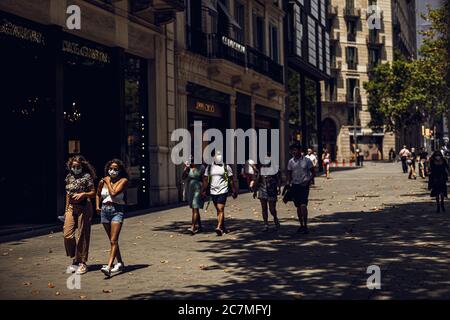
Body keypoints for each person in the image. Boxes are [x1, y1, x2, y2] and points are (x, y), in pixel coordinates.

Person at [63, 155, 96, 275]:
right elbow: (67, 194)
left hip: (84, 207)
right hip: (71, 207)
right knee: (68, 235)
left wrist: (83, 194)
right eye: (74, 167)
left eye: (78, 167)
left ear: (82, 166)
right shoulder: (69, 177)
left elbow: (93, 193)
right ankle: (75, 257)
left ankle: (81, 262)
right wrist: (66, 210)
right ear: (70, 167)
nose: (76, 168)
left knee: (82, 234)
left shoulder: (86, 177)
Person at [96, 159, 129, 277]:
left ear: (120, 170)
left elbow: (114, 193)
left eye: (115, 169)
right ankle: (119, 262)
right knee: (112, 240)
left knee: (113, 240)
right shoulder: (103, 181)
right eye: (110, 169)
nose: (112, 171)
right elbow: (98, 193)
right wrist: (97, 206)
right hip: (105, 210)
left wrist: (108, 182)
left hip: (117, 211)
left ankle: (109, 266)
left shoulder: (123, 181)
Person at [201, 152, 238, 236]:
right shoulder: (209, 167)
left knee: (220, 208)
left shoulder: (226, 167)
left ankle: (218, 227)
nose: (219, 156)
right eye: (217, 155)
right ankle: (223, 227)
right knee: (218, 210)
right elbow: (205, 180)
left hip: (223, 191)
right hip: (213, 192)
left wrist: (234, 190)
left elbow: (231, 180)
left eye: (220, 154)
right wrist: (202, 191)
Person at [287, 144, 315, 234]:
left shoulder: (307, 161)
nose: (294, 152)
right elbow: (289, 173)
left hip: (304, 185)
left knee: (303, 205)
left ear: (299, 150)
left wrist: (308, 181)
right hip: (295, 185)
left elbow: (313, 173)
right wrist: (288, 183)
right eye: (292, 150)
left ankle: (305, 225)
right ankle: (301, 225)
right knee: (298, 206)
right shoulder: (290, 162)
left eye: (295, 150)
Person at [252, 158, 281, 232]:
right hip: (262, 190)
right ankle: (266, 224)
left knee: (272, 209)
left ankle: (275, 217)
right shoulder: (260, 170)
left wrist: (278, 188)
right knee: (264, 208)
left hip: (271, 190)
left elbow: (278, 179)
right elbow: (257, 181)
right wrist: (255, 191)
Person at [182, 157, 205, 235]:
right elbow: (183, 177)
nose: (192, 161)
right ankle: (200, 226)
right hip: (190, 189)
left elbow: (204, 180)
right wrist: (186, 169)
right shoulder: (188, 168)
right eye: (191, 160)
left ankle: (193, 227)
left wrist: (203, 191)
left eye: (193, 160)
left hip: (198, 188)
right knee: (195, 209)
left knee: (195, 207)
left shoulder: (201, 167)